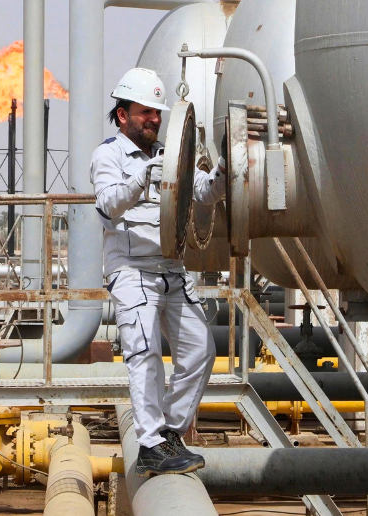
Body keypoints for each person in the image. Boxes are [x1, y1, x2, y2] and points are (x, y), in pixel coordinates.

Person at [90, 67, 227, 477]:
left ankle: (167, 432)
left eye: (157, 112)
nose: (153, 119)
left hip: (170, 266)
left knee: (200, 350)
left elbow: (203, 192)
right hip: (132, 269)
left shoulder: (170, 156)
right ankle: (149, 444)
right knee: (145, 352)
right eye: (145, 111)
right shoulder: (109, 155)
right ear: (122, 116)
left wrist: (226, 165)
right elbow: (107, 206)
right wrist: (141, 178)